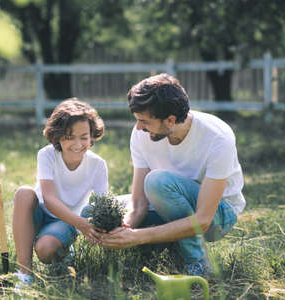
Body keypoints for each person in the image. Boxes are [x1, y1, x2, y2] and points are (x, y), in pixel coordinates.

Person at [100, 73, 245, 277]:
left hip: (218, 216)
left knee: (157, 182)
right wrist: (124, 230)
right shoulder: (141, 134)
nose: (139, 127)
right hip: (168, 203)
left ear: (170, 120)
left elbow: (203, 220)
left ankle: (199, 263)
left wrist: (139, 236)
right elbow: (139, 203)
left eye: (144, 121)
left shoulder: (218, 138)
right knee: (96, 210)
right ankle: (171, 249)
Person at [12, 99, 108, 288]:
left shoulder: (98, 165)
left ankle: (63, 249)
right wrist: (83, 225)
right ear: (57, 136)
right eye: (69, 136)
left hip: (68, 220)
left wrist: (97, 226)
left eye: (84, 137)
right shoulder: (46, 155)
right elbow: (48, 199)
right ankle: (24, 274)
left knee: (45, 250)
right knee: (23, 193)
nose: (78, 143)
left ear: (92, 136)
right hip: (40, 212)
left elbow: (102, 205)